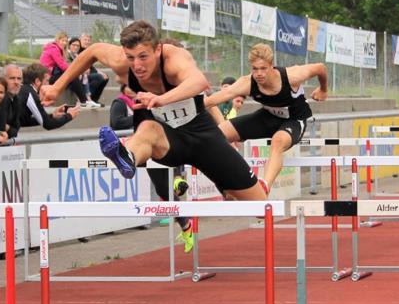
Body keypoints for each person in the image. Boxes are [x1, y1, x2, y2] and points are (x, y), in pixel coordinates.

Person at [41, 19, 266, 201]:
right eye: (131, 58)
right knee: (147, 127)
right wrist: (57, 86)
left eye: (143, 57)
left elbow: (199, 82)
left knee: (259, 205)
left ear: (158, 49)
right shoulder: (122, 61)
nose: (137, 65)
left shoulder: (173, 58)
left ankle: (228, 189)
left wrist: (160, 99)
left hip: (201, 136)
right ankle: (127, 157)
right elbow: (92, 52)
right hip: (166, 139)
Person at [204, 43, 328, 192]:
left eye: (263, 68)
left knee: (277, 142)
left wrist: (323, 89)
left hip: (294, 121)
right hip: (267, 118)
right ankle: (228, 184)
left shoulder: (291, 76)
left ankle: (264, 188)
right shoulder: (247, 82)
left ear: (272, 66)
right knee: (216, 135)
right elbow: (218, 98)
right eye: (255, 69)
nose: (259, 74)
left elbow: (320, 68)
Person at [109, 83, 192, 249]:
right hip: (133, 148)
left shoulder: (153, 99)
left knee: (163, 188)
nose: (136, 91)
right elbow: (116, 123)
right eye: (132, 87)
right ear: (125, 88)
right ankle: (176, 190)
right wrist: (142, 114)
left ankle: (185, 224)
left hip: (152, 148)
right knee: (162, 188)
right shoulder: (120, 103)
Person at [42, 33, 100, 108]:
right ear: (57, 40)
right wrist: (76, 72)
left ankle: (84, 100)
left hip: (52, 74)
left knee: (74, 78)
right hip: (47, 77)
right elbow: (62, 65)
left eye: (66, 41)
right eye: (62, 40)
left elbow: (63, 65)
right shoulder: (54, 49)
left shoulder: (58, 49)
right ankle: (84, 101)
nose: (64, 43)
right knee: (72, 77)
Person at [18, 62, 80, 130]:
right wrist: (70, 116)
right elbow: (48, 125)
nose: (49, 84)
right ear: (37, 81)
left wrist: (52, 116)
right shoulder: (30, 94)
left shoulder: (23, 90)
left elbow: (23, 121)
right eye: (47, 81)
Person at [0, 64, 23, 139]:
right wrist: (10, 129)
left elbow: (16, 128)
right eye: (12, 78)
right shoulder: (0, 98)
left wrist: (8, 128)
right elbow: (0, 128)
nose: (16, 82)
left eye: (19, 79)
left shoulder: (16, 98)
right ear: (2, 80)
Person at [79, 34, 109, 104]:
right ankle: (86, 98)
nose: (87, 42)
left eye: (88, 40)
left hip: (88, 73)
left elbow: (91, 66)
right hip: (81, 75)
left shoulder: (88, 51)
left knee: (105, 77)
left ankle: (94, 99)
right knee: (98, 77)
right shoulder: (79, 50)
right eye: (85, 40)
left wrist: (100, 72)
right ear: (80, 40)